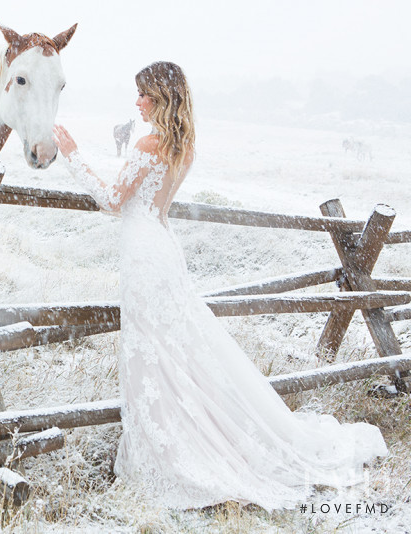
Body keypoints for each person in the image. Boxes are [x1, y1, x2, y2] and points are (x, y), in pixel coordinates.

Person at [52, 61, 387, 511]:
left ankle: (174, 454)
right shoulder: (183, 146)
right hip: (161, 248)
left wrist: (72, 154)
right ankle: (184, 441)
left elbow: (113, 200)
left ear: (162, 98)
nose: (136, 103)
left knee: (155, 353)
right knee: (174, 352)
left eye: (143, 95)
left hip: (146, 256)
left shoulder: (150, 142)